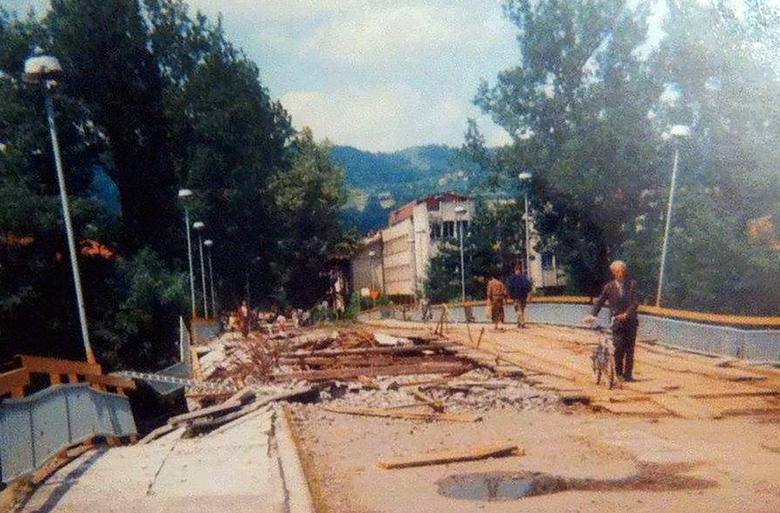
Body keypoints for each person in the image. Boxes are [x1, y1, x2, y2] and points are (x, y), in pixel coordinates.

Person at [586, 260, 640, 382]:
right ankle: (618, 373)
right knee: (619, 348)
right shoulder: (609, 287)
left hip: (630, 321)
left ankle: (628, 375)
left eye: (622, 271)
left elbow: (635, 302)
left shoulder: (632, 284)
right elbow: (599, 302)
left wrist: (627, 314)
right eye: (617, 271)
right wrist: (592, 315)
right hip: (617, 322)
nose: (620, 273)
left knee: (630, 350)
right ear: (613, 273)